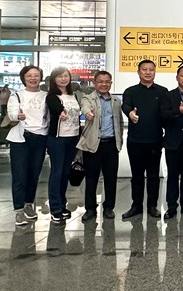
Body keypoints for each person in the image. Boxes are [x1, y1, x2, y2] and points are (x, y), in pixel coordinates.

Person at [121, 59, 169, 220]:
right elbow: (125, 106)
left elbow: (165, 113)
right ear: (138, 72)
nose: (148, 72)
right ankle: (136, 206)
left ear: (155, 72)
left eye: (151, 70)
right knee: (137, 176)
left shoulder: (162, 91)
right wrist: (130, 113)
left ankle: (152, 206)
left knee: (154, 176)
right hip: (135, 141)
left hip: (155, 140)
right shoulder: (130, 91)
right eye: (144, 69)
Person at [78, 70, 123, 222]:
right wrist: (87, 113)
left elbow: (119, 122)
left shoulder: (116, 101)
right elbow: (84, 107)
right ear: (94, 83)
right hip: (93, 145)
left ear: (111, 83)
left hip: (111, 145)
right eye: (100, 81)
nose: (104, 84)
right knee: (91, 178)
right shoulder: (88, 98)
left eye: (107, 82)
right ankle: (90, 209)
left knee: (111, 178)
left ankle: (109, 207)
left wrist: (119, 142)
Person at [7, 66, 48, 226]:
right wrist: (17, 116)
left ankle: (28, 204)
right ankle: (19, 210)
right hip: (21, 139)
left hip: (40, 138)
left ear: (41, 77)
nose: (33, 78)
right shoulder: (17, 95)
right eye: (29, 75)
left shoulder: (46, 96)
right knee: (19, 175)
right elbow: (11, 113)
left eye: (36, 75)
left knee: (34, 174)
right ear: (23, 78)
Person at [46, 66, 82, 223]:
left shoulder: (73, 95)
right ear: (54, 79)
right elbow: (56, 109)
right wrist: (60, 113)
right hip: (58, 139)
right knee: (57, 172)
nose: (63, 79)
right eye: (59, 76)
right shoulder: (52, 96)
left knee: (65, 172)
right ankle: (55, 208)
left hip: (73, 137)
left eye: (65, 76)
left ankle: (62, 204)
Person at [161, 65, 183, 220]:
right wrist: (178, 112)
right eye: (182, 75)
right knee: (173, 175)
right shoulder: (168, 96)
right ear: (177, 78)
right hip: (173, 141)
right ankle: (171, 207)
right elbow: (163, 115)